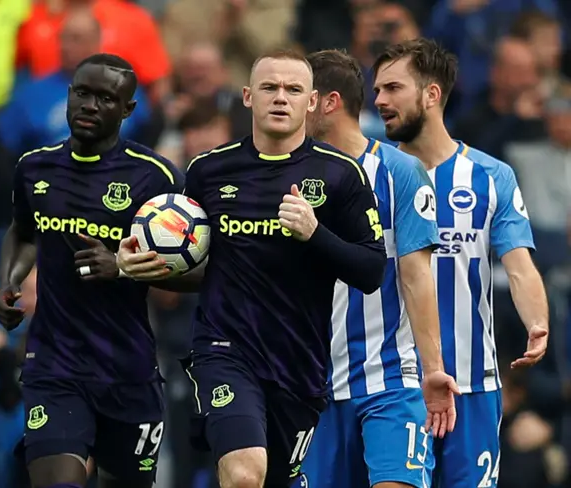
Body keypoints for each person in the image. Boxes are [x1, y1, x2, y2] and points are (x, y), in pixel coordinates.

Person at [119, 49, 388, 488]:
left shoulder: (341, 175)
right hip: (225, 350)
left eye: (293, 89)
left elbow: (371, 272)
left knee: (275, 479)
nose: (280, 98)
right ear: (247, 97)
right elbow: (195, 265)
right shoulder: (208, 171)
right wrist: (140, 266)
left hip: (299, 361)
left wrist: (315, 233)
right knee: (245, 473)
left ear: (313, 102)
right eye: (269, 87)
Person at [0, 53, 184, 488]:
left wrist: (122, 267)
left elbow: (196, 274)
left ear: (128, 109)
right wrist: (9, 281)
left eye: (105, 98)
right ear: (69, 94)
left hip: (127, 369)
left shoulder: (156, 179)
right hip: (54, 365)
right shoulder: (35, 166)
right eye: (82, 93)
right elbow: (23, 232)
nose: (90, 105)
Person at [372, 38, 549, 488]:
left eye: (393, 88)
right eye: (377, 90)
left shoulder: (491, 176)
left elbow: (520, 265)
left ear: (431, 95)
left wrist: (536, 322)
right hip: (398, 387)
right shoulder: (371, 176)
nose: (379, 101)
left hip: (472, 384)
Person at [299, 49, 460, 488]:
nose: (288, 104)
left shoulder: (399, 172)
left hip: (388, 379)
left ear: (326, 102)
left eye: (299, 94)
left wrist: (433, 370)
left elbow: (417, 276)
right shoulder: (286, 176)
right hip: (311, 385)